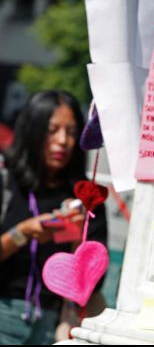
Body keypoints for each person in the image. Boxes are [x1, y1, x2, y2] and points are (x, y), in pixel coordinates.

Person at [0, 91, 107, 345]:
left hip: (54, 323)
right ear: (33, 131)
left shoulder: (85, 197)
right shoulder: (6, 181)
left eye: (71, 132)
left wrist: (77, 236)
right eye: (52, 130)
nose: (63, 141)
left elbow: (92, 282)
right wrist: (23, 232)